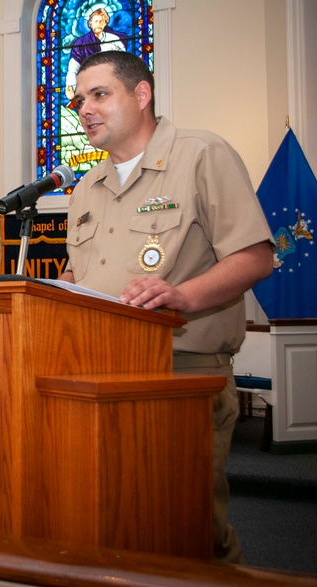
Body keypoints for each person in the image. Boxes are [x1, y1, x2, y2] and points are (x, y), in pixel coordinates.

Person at [60, 50, 274, 563]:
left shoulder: (202, 154)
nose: (84, 109)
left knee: (190, 527)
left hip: (182, 373)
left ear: (141, 93)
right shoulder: (87, 186)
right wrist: (58, 290)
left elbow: (256, 256)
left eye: (99, 94)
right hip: (99, 372)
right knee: (116, 517)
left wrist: (183, 297)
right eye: (78, 100)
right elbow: (79, 273)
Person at [64, 5, 126, 100]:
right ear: (90, 24)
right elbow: (73, 67)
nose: (98, 24)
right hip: (89, 84)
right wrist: (70, 86)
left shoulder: (114, 40)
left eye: (101, 21)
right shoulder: (81, 43)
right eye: (95, 21)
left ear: (105, 23)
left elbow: (123, 62)